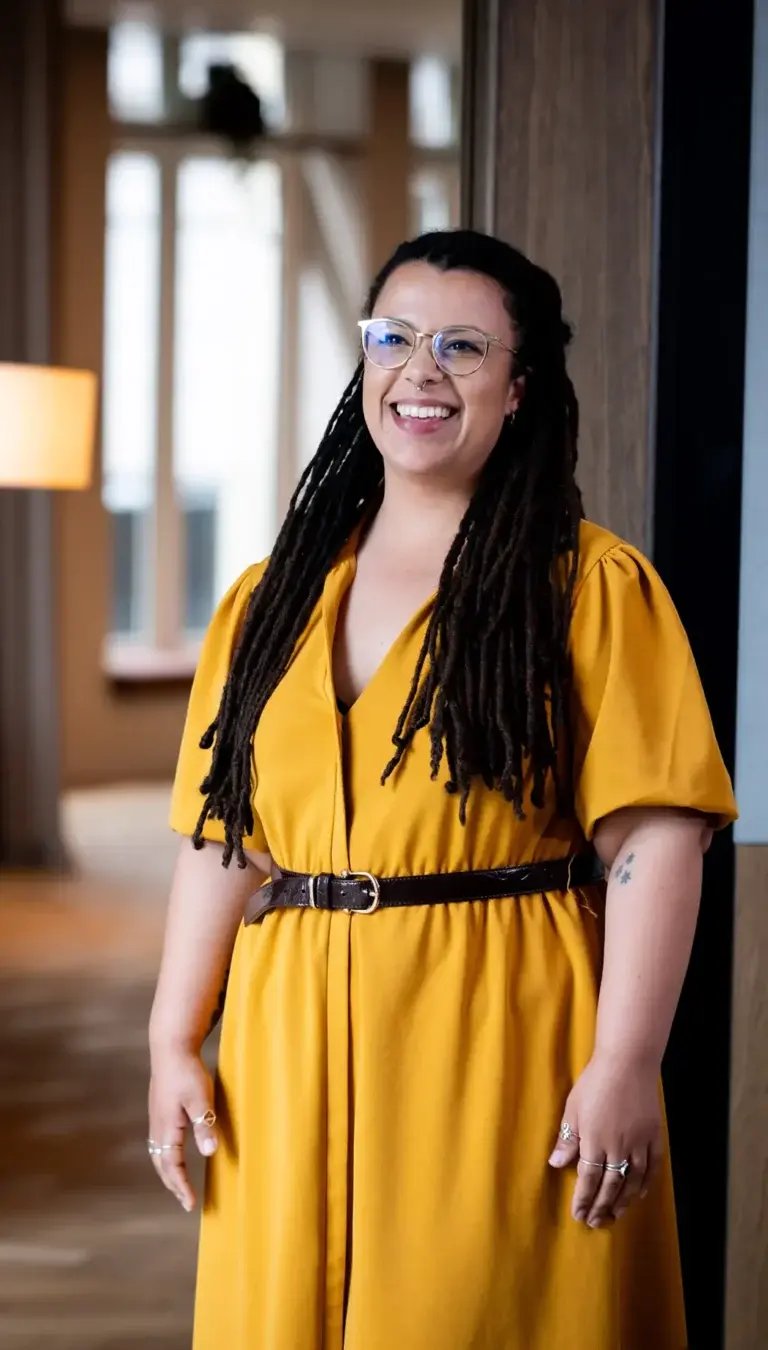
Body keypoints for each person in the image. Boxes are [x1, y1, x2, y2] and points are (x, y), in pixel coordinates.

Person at [147, 229, 737, 1349]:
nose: (419, 370)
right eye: (395, 337)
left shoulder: (590, 585)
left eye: (461, 347)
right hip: (287, 1038)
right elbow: (224, 838)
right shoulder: (268, 600)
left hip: (500, 1023)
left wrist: (626, 1064)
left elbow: (654, 840)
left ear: (518, 390)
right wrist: (174, 1037)